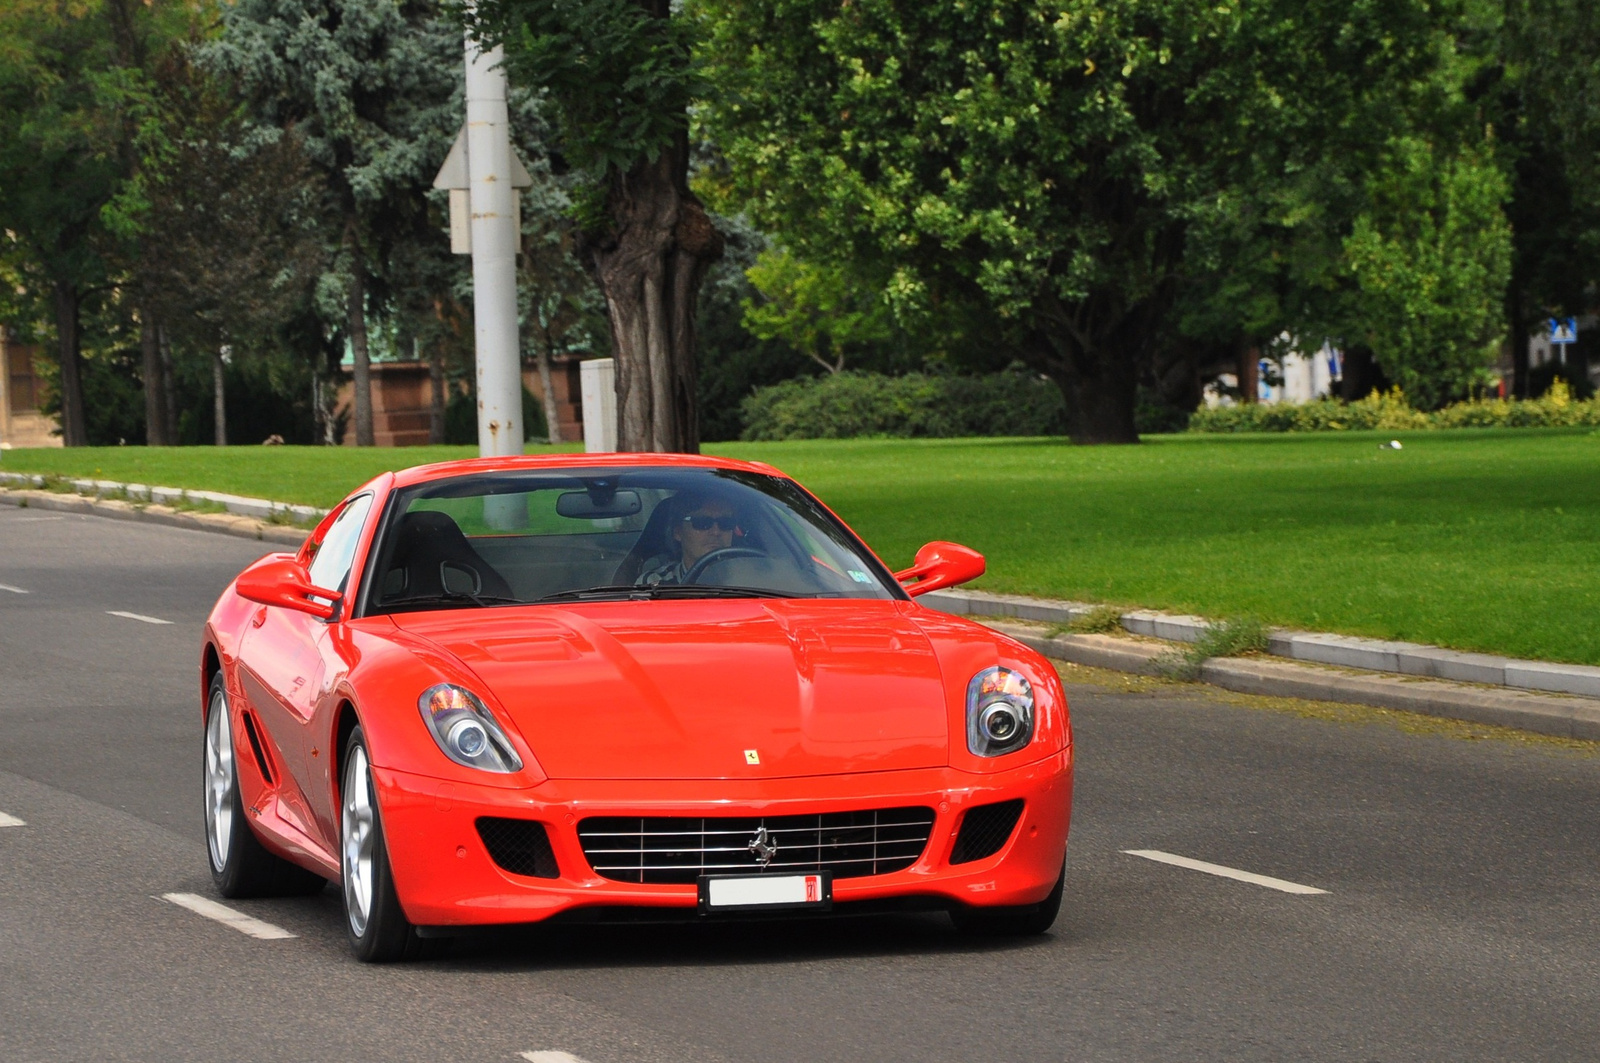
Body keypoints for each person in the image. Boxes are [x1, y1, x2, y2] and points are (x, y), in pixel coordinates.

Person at [636, 494, 742, 586]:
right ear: (678, 532)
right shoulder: (653, 582)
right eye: (702, 523)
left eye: (726, 522)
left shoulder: (751, 579)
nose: (716, 532)